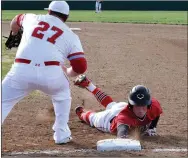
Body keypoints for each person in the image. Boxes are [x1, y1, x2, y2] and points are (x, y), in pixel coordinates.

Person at [2, 1, 87, 144]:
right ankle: (61, 135)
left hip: (21, 71)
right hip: (51, 74)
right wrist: (68, 71)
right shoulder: (71, 35)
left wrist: (15, 33)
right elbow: (80, 66)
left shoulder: (32, 18)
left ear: (49, 11)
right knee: (62, 96)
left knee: (2, 100)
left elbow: (16, 20)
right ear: (66, 17)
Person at [74, 75, 162, 138]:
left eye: (143, 106)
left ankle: (89, 85)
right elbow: (122, 137)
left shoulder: (154, 106)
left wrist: (152, 128)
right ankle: (81, 113)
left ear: (149, 105)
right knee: (92, 118)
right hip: (108, 120)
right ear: (131, 105)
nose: (141, 110)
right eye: (137, 106)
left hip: (121, 106)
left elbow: (156, 114)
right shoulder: (124, 118)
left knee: (111, 104)